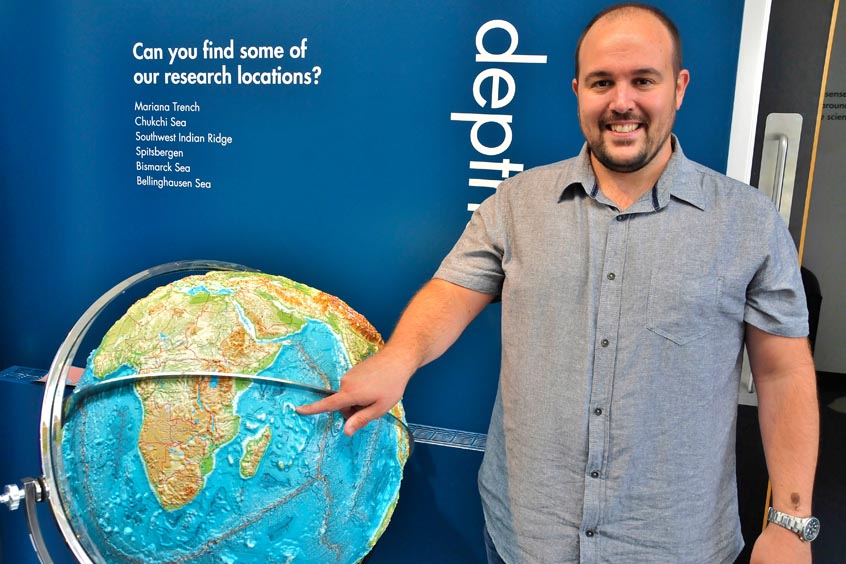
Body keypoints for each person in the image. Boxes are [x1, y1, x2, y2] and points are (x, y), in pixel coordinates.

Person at [298, 3, 819, 563]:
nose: (622, 101)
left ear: (679, 87)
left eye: (643, 80)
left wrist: (789, 523)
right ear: (578, 90)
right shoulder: (517, 205)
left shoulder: (749, 222)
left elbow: (782, 371)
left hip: (676, 545)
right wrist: (398, 359)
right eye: (602, 82)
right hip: (525, 539)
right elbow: (452, 291)